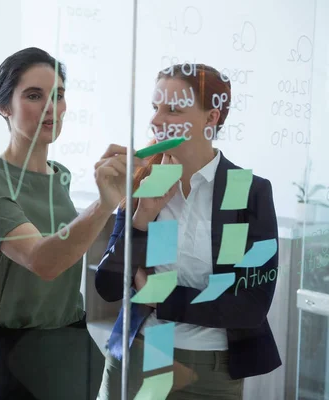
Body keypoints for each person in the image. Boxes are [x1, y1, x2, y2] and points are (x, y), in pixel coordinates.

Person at [0, 47, 142, 400]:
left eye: (58, 96)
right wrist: (105, 202)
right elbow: (44, 261)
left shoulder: (61, 177)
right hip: (14, 363)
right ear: (4, 107)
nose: (51, 107)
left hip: (70, 353)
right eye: (34, 95)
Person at [95, 64, 281, 399]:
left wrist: (162, 297)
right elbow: (108, 287)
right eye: (155, 108)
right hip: (140, 356)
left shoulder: (244, 191)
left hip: (213, 372)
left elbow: (249, 304)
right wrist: (143, 217)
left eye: (173, 110)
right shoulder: (142, 182)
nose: (155, 121)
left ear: (211, 119)